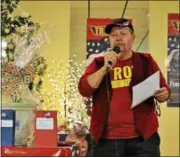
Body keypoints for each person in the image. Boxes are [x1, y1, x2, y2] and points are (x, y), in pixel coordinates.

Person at [78, 18, 171, 157]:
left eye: (123, 33)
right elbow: (84, 89)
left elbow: (164, 88)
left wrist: (164, 94)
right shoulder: (98, 63)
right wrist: (105, 68)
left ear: (132, 38)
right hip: (106, 140)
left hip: (143, 139)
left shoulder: (146, 61)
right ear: (109, 39)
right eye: (114, 35)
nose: (118, 38)